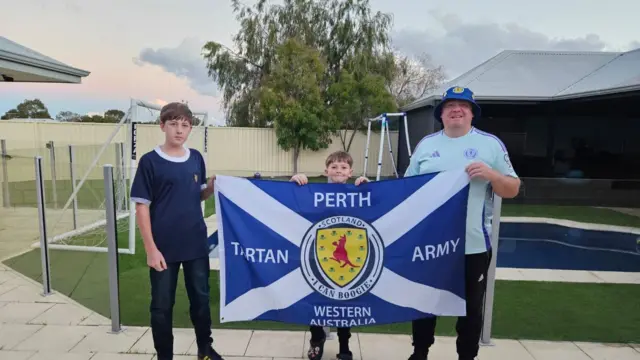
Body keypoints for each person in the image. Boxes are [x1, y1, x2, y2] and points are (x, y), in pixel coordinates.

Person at [404, 86, 521, 360]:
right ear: (441, 113)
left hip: (472, 245)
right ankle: (420, 352)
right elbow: (407, 189)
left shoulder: (490, 144)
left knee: (470, 310)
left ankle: (466, 356)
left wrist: (492, 175)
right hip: (430, 244)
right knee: (424, 303)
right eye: (450, 105)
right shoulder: (426, 145)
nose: (456, 109)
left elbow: (513, 188)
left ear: (472, 113)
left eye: (463, 105)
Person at [130, 102, 224, 360]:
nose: (179, 130)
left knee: (201, 300)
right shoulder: (150, 162)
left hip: (195, 244)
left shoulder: (195, 158)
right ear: (162, 126)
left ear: (190, 128)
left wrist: (212, 186)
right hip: (163, 248)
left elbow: (198, 195)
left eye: (184, 125)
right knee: (161, 306)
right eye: (173, 124)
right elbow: (142, 208)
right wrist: (151, 249)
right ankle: (164, 356)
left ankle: (205, 348)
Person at [290, 150, 370, 360]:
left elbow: (377, 206)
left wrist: (370, 186)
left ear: (350, 172)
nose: (338, 171)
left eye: (343, 167)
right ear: (326, 170)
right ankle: (317, 340)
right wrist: (296, 182)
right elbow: (295, 205)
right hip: (317, 258)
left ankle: (344, 345)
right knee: (316, 299)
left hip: (349, 256)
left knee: (346, 302)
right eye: (333, 167)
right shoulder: (314, 193)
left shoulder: (358, 193)